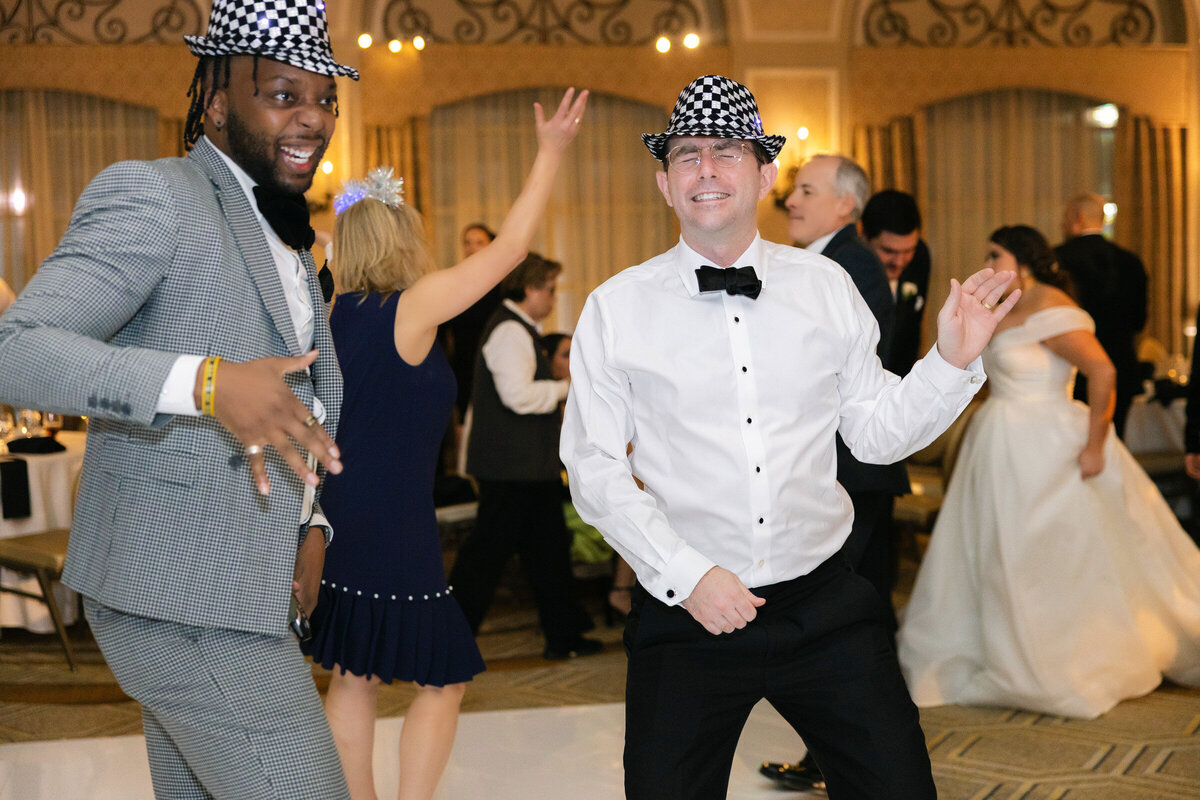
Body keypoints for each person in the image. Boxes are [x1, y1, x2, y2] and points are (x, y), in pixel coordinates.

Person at [560, 73, 1019, 800]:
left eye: (725, 152)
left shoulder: (824, 287)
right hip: (689, 612)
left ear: (766, 173)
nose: (705, 170)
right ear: (664, 182)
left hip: (827, 605)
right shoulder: (616, 309)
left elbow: (873, 434)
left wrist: (950, 361)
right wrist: (686, 574)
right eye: (686, 155)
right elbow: (593, 467)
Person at [0, 1, 358, 796]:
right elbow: (15, 350)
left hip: (242, 587)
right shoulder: (155, 195)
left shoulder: (290, 238)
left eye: (325, 97)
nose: (313, 117)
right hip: (182, 593)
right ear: (218, 102)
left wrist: (312, 523)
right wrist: (205, 380)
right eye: (283, 94)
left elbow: (296, 400)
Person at [303, 88, 588, 800]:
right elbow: (514, 249)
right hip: (393, 518)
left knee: (355, 672)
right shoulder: (412, 307)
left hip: (340, 510)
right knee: (445, 672)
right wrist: (550, 153)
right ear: (401, 239)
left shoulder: (330, 309)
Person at [898, 225, 1200, 720]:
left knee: (1042, 550)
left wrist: (1096, 446)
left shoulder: (1053, 305)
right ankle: (993, 640)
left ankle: (1056, 650)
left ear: (1025, 257)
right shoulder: (1006, 306)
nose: (990, 260)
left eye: (996, 253)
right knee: (992, 548)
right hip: (997, 441)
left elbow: (1103, 372)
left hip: (1046, 441)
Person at [762, 154, 911, 793]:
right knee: (854, 615)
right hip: (850, 471)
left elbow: (844, 382)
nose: (792, 200)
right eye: (794, 189)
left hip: (849, 471)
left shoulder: (845, 268)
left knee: (834, 619)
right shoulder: (831, 261)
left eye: (806, 190)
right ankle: (846, 759)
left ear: (844, 207)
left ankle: (847, 758)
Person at [450, 253, 604, 660]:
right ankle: (450, 640)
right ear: (531, 288)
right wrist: (566, 388)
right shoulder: (509, 331)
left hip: (526, 468)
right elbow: (517, 397)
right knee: (487, 556)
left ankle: (563, 636)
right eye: (550, 289)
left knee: (546, 552)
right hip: (510, 468)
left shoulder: (519, 329)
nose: (553, 298)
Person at [1055, 192, 1148, 438]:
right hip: (1121, 367)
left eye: (1065, 217)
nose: (1062, 224)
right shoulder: (1131, 262)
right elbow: (1140, 321)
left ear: (1079, 217)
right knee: (1113, 444)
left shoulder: (1057, 261)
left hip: (1073, 370)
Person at [862, 189, 931, 377]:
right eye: (889, 251)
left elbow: (912, 326)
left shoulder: (920, 256)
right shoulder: (850, 266)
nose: (899, 262)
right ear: (864, 236)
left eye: (908, 250)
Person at [446, 223, 502, 417]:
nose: (472, 248)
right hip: (463, 367)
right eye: (467, 243)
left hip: (494, 364)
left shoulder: (502, 283)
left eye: (479, 242)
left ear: (490, 246)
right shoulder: (453, 282)